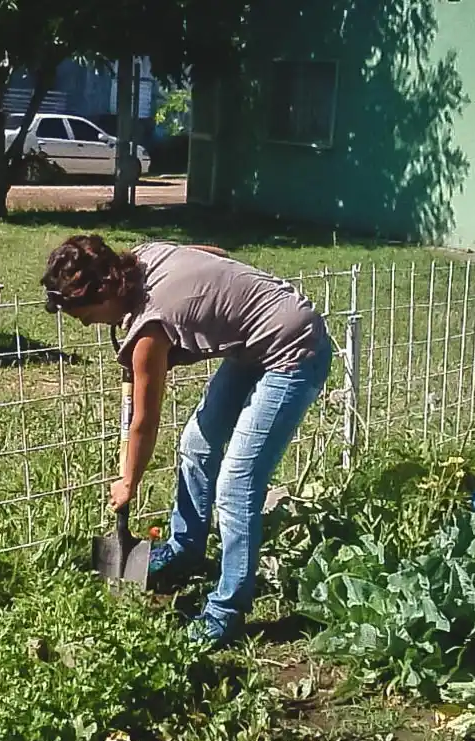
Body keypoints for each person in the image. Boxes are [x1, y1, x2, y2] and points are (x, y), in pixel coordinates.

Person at [41, 234, 332, 648]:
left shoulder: (149, 331)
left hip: (295, 348)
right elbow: (213, 253)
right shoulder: (140, 257)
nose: (86, 324)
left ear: (105, 294)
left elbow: (144, 420)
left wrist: (128, 481)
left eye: (85, 315)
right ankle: (185, 547)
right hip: (253, 342)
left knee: (237, 486)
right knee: (197, 445)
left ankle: (226, 611)